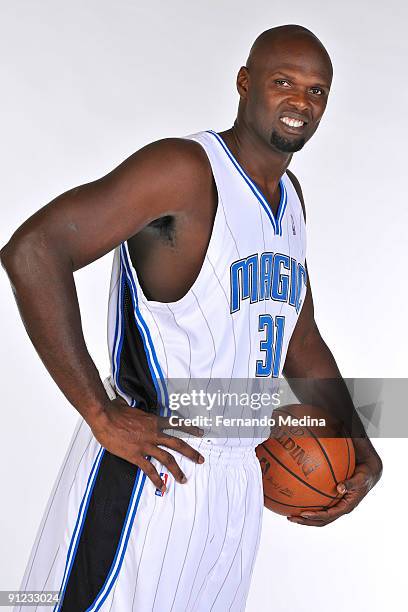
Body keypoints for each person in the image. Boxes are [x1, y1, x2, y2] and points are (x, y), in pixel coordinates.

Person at [1, 24, 382, 612]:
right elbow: (33, 251)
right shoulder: (184, 169)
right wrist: (100, 413)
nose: (300, 102)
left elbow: (299, 337)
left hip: (236, 487)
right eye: (284, 82)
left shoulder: (290, 200)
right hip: (150, 465)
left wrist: (355, 439)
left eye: (316, 91)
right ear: (245, 82)